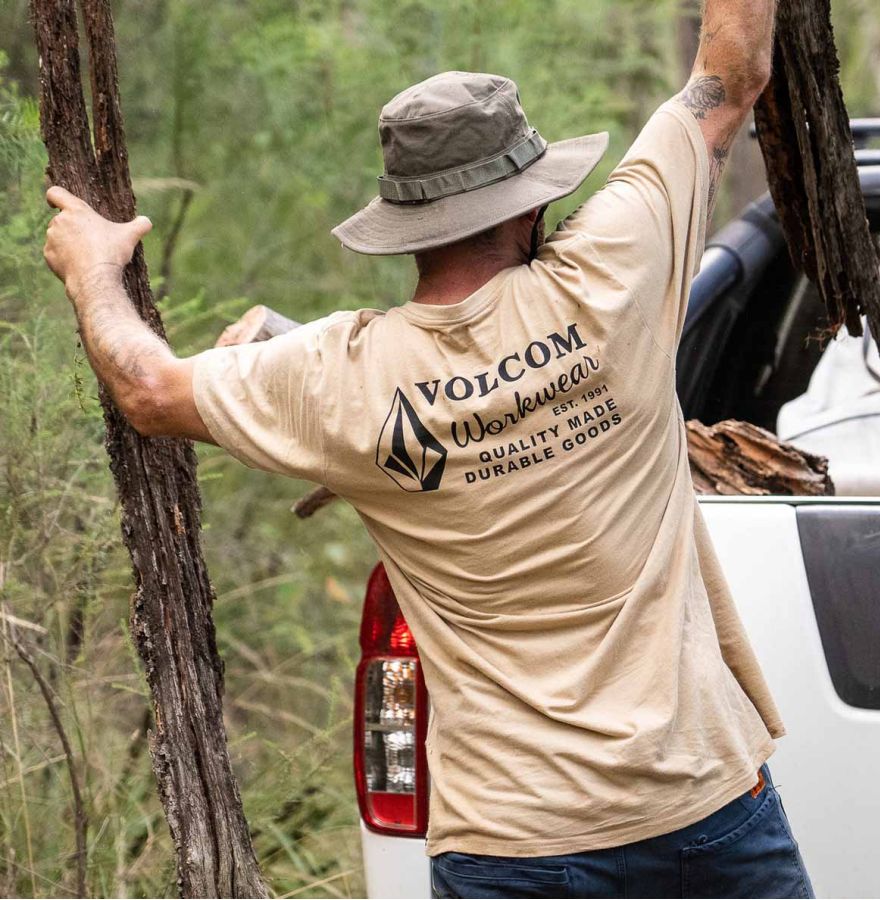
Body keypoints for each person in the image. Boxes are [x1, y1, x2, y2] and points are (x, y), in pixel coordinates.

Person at [43, 0, 815, 895]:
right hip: (700, 810)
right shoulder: (615, 269)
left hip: (511, 844)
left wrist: (94, 270)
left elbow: (147, 389)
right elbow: (732, 69)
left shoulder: (343, 376)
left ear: (408, 224)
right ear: (531, 205)